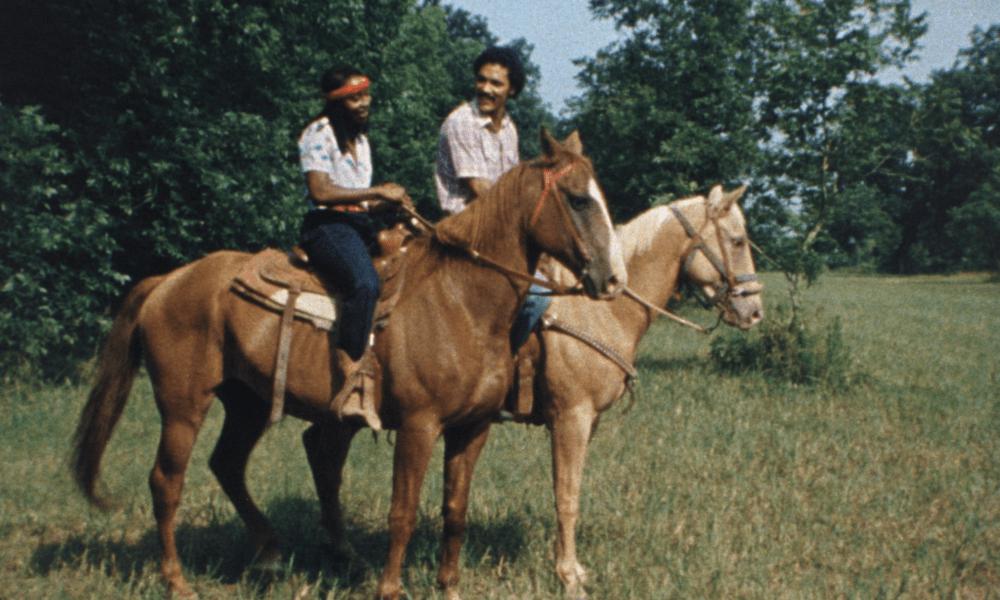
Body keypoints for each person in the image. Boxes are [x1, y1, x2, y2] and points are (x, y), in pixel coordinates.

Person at [434, 47, 548, 419]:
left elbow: (510, 189)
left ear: (512, 90)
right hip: (466, 227)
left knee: (545, 287)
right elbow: (481, 190)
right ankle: (499, 372)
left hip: (498, 233)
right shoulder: (461, 122)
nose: (486, 89)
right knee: (537, 293)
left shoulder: (509, 128)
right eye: (481, 80)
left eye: (496, 83)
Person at [298, 65, 410, 428]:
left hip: (357, 225)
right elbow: (321, 191)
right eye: (355, 97)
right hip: (327, 226)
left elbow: (361, 203)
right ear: (336, 102)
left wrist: (391, 204)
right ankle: (350, 375)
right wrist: (376, 191)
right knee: (365, 285)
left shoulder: (361, 142)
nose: (365, 103)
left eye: (366, 95)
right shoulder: (318, 133)